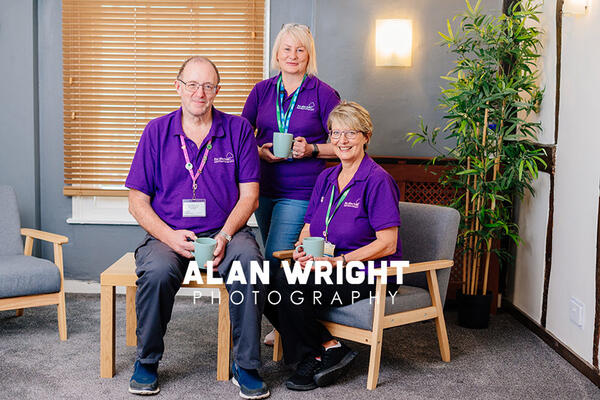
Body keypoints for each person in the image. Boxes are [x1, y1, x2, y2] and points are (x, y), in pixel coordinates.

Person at [125, 56, 269, 399]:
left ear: (217, 90)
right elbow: (137, 202)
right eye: (192, 84)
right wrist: (169, 237)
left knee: (251, 264)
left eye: (207, 86)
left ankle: (246, 366)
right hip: (168, 232)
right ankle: (146, 362)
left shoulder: (237, 130)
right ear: (178, 87)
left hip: (227, 232)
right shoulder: (156, 131)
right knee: (157, 270)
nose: (199, 92)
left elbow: (250, 196)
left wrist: (224, 235)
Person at [272, 101, 402, 391]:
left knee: (290, 283)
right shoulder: (326, 177)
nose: (341, 141)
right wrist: (299, 248)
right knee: (266, 278)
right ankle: (328, 347)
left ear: (366, 136)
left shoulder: (378, 180)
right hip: (327, 267)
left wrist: (339, 262)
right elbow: (309, 226)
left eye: (350, 133)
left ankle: (311, 355)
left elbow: (388, 243)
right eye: (335, 133)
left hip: (370, 274)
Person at [241, 23, 340, 346]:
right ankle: (285, 321)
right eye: (287, 49)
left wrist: (310, 149)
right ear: (277, 54)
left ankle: (276, 329)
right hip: (263, 190)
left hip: (301, 192)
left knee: (271, 261)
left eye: (300, 49)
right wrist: (259, 151)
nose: (293, 55)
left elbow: (342, 143)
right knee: (281, 259)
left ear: (308, 54)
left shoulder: (323, 93)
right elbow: (242, 138)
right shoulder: (261, 91)